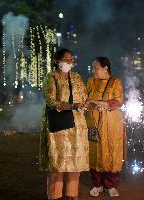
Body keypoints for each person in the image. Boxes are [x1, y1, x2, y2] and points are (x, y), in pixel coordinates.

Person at [40, 48, 89, 200]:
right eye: (66, 59)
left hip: (77, 125)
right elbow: (51, 100)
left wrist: (93, 104)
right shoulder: (51, 77)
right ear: (57, 61)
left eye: (71, 59)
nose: (69, 62)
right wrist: (73, 106)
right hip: (58, 125)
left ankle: (73, 194)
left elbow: (84, 97)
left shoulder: (76, 77)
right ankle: (54, 195)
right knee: (57, 162)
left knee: (74, 161)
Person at [85, 57, 126, 197]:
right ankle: (97, 184)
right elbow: (86, 100)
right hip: (93, 123)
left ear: (105, 68)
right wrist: (90, 104)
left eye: (96, 68)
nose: (93, 71)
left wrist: (102, 103)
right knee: (95, 152)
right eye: (92, 68)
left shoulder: (115, 82)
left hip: (112, 124)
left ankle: (110, 185)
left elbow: (118, 101)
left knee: (112, 152)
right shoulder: (91, 82)